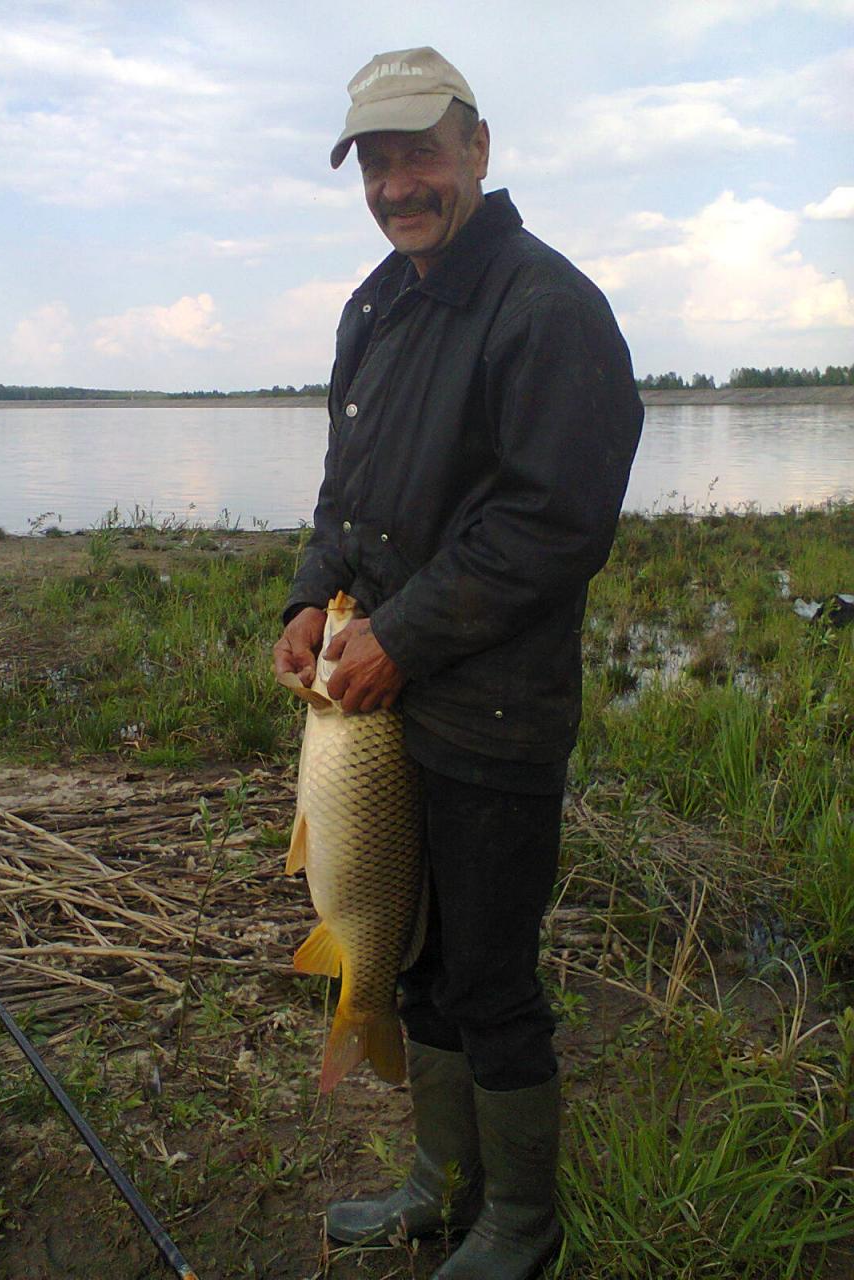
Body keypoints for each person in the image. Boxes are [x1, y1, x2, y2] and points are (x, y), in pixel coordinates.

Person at [273, 46, 643, 1280]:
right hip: (383, 712)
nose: (397, 186)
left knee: (489, 974)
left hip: (492, 715)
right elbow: (348, 495)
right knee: (414, 958)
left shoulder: (548, 308)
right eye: (375, 164)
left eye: (419, 155)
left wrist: (403, 634)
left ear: (477, 149)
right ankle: (441, 1185)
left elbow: (556, 521)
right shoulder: (375, 307)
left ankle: (522, 1223)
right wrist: (311, 596)